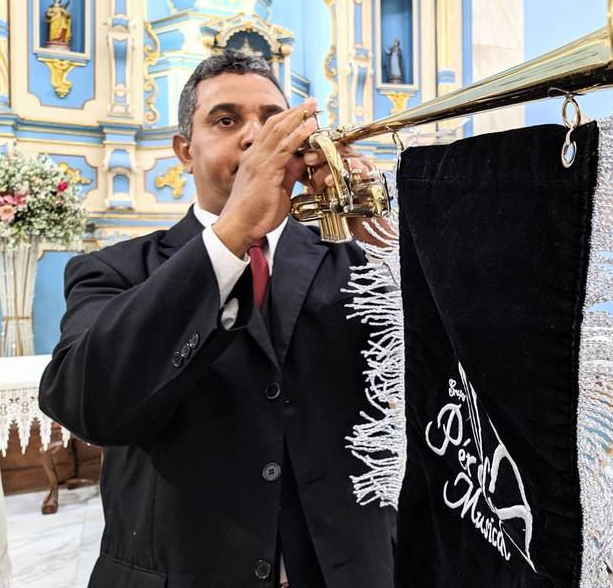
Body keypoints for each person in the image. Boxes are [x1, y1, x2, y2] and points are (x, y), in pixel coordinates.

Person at [39, 53, 395, 588]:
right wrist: (234, 233)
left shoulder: (356, 255)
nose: (255, 137)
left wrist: (382, 236)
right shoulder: (113, 268)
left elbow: (441, 370)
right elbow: (88, 403)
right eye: (226, 120)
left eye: (273, 120)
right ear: (184, 150)